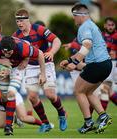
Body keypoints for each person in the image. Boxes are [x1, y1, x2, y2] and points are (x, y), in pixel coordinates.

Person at [60, 3, 112, 134]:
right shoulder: (92, 25)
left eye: (74, 16)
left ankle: (88, 122)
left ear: (80, 15)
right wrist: (70, 60)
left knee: (78, 91)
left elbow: (87, 45)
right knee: (88, 92)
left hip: (97, 64)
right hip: (106, 64)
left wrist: (75, 62)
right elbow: (88, 48)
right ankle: (103, 116)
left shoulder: (84, 26)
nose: (73, 19)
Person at [13, 8, 67, 132]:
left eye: (21, 20)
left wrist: (52, 52)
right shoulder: (16, 36)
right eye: (17, 21)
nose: (19, 23)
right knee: (32, 97)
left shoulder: (39, 29)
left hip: (46, 65)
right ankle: (46, 123)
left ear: (28, 20)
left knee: (50, 95)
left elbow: (56, 40)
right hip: (30, 67)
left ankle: (62, 114)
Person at [0, 35, 46, 135]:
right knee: (4, 97)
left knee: (11, 93)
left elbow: (40, 54)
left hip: (18, 68)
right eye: (4, 52)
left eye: (9, 52)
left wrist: (43, 74)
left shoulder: (22, 48)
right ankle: (13, 117)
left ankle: (8, 127)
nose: (6, 54)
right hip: (3, 66)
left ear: (14, 48)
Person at [99, 17, 117, 109]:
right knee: (107, 91)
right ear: (105, 25)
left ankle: (103, 117)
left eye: (112, 25)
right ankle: (102, 117)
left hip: (113, 65)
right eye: (109, 25)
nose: (110, 27)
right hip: (104, 64)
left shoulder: (116, 36)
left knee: (104, 89)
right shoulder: (100, 36)